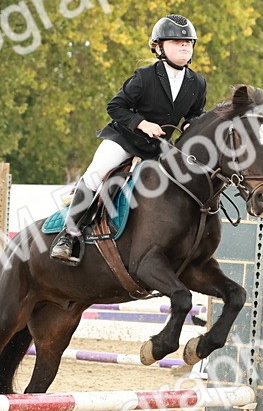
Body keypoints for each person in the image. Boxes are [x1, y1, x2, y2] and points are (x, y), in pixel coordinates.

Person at [51, 14, 208, 264]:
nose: (184, 46)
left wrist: (191, 124)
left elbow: (194, 114)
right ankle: (68, 235)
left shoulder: (197, 83)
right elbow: (115, 106)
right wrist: (142, 124)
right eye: (177, 41)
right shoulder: (145, 76)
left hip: (158, 148)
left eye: (188, 42)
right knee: (97, 172)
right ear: (159, 47)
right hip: (125, 138)